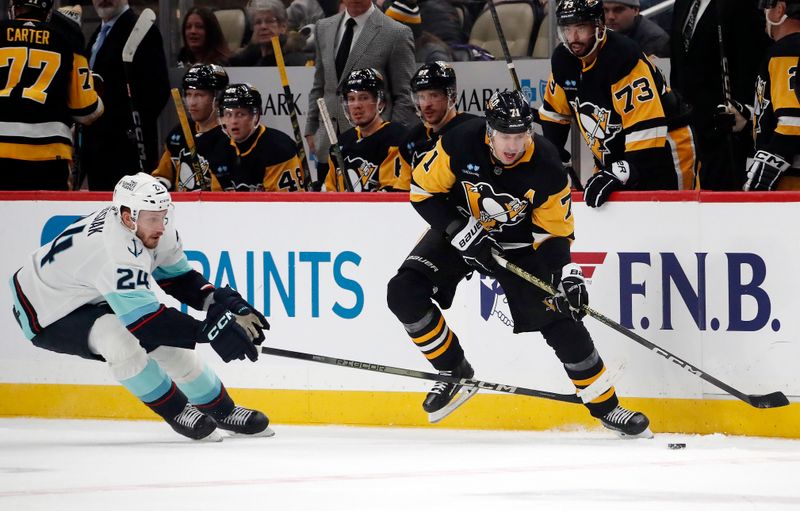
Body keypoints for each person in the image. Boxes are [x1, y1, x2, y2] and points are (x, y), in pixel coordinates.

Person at [386, 90, 652, 438]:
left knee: (561, 318)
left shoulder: (546, 163)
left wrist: (567, 275)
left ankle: (607, 406)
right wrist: (460, 230)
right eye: (504, 136)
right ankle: (454, 371)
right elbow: (422, 192)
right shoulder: (459, 141)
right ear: (489, 133)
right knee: (403, 292)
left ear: (529, 131)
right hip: (462, 227)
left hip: (520, 245)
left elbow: (556, 232)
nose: (512, 145)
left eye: (519, 136)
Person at [9, 173, 272, 441]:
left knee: (171, 348)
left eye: (163, 215)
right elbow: (147, 324)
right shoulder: (114, 250)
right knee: (118, 340)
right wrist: (209, 331)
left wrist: (217, 299)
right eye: (152, 218)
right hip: (44, 307)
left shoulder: (153, 227)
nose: (160, 226)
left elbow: (178, 279)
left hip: (85, 290)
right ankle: (178, 411)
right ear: (127, 217)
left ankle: (223, 411)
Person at [539, 0, 698, 207]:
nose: (573, 38)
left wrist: (620, 171)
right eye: (567, 29)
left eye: (580, 28)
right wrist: (554, 154)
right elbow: (554, 113)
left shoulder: (623, 57)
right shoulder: (563, 60)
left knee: (673, 218)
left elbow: (647, 129)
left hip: (666, 146)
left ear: (599, 27)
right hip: (616, 152)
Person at [304, 0, 418, 185]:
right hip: (328, 141)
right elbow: (320, 84)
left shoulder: (396, 33)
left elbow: (405, 94)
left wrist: (392, 137)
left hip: (377, 149)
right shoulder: (323, 27)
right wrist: (311, 129)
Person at [0, 0, 103, 190]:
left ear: (14, 8)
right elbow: (86, 110)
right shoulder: (68, 37)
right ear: (47, 12)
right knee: (38, 218)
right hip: (48, 156)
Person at [670, 0, 770, 190]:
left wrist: (745, 110)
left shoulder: (741, 5)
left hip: (726, 127)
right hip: (689, 130)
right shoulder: (683, 3)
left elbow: (750, 58)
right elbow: (679, 61)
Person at [81, 0, 170, 191]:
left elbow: (157, 91)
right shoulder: (98, 34)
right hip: (97, 149)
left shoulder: (142, 30)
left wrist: (129, 128)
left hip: (127, 151)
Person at [743, 0, 800, 190]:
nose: (764, 13)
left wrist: (765, 171)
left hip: (791, 179)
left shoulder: (788, 49)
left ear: (780, 9)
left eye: (768, 6)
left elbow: (793, 122)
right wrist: (748, 116)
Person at [323, 68, 409, 191]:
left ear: (379, 102)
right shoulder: (340, 144)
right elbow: (330, 190)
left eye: (364, 98)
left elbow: (392, 196)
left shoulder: (396, 138)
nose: (357, 105)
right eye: (351, 99)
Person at [151, 64, 230, 192]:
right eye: (188, 94)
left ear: (218, 98)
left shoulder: (230, 137)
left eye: (199, 95)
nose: (191, 102)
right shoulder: (180, 132)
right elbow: (162, 176)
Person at [213, 83, 305, 192]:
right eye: (228, 114)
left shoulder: (278, 149)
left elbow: (286, 205)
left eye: (240, 114)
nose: (233, 121)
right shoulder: (218, 149)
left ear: (255, 116)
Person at [400, 62, 478, 172]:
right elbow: (401, 187)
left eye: (434, 95)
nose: (427, 104)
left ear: (452, 97)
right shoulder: (413, 138)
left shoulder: (472, 130)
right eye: (422, 97)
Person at [227, 0, 309, 67]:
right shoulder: (243, 61)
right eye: (258, 22)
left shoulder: (295, 61)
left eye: (269, 21)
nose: (263, 26)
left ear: (283, 27)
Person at [603, 0, 670, 57]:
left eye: (618, 10)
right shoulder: (601, 31)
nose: (610, 17)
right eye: (605, 10)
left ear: (636, 10)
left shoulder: (655, 39)